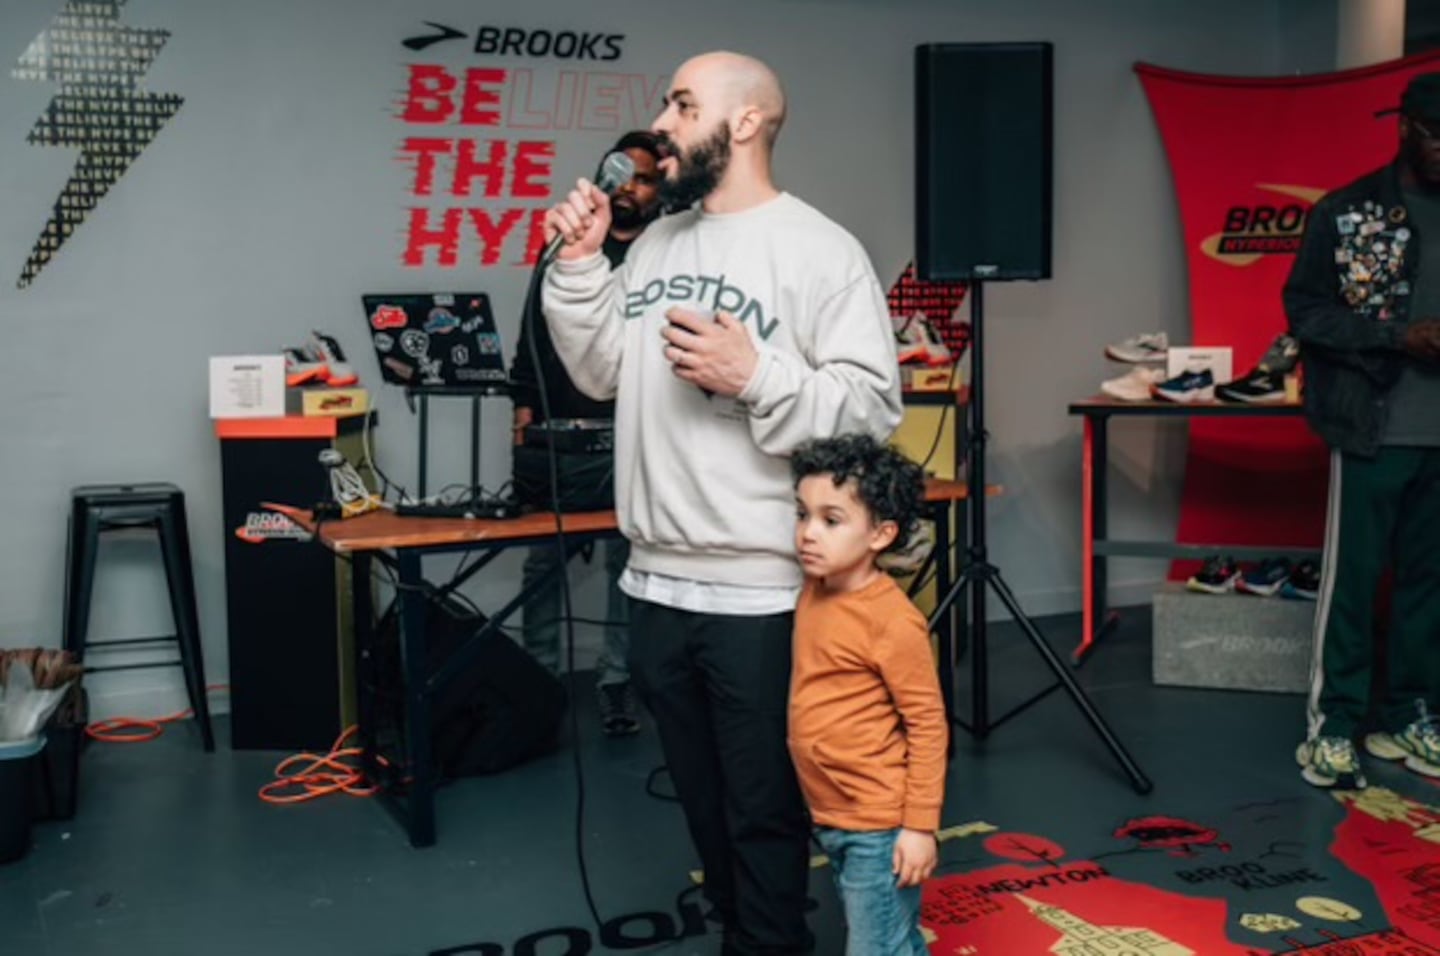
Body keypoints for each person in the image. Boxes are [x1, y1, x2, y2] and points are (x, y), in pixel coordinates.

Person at [541, 51, 902, 955]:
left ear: (744, 123)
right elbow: (599, 376)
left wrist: (758, 377)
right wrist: (581, 270)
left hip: (764, 598)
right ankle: (747, 938)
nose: (661, 122)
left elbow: (870, 412)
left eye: (683, 103)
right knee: (703, 808)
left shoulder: (821, 250)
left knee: (764, 813)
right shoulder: (659, 241)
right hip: (657, 585)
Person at [1287, 71, 1440, 790]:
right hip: (1375, 427)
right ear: (1405, 128)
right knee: (1352, 586)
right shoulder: (1348, 213)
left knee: (1428, 585)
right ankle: (1335, 728)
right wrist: (1396, 336)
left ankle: (1409, 717)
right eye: (1438, 138)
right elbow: (1307, 313)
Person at [509, 130, 664, 736]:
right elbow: (532, 338)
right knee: (541, 567)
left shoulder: (660, 259)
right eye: (619, 171)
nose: (628, 185)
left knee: (629, 567)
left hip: (630, 441)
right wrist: (521, 421)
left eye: (644, 176)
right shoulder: (565, 248)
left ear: (661, 191)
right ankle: (538, 678)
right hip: (556, 440)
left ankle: (615, 683)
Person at [788, 435, 945, 956]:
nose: (808, 533)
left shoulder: (893, 622)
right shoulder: (814, 589)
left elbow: (927, 724)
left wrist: (920, 828)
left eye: (831, 520)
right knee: (894, 942)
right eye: (802, 514)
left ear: (881, 534)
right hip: (830, 811)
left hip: (878, 824)